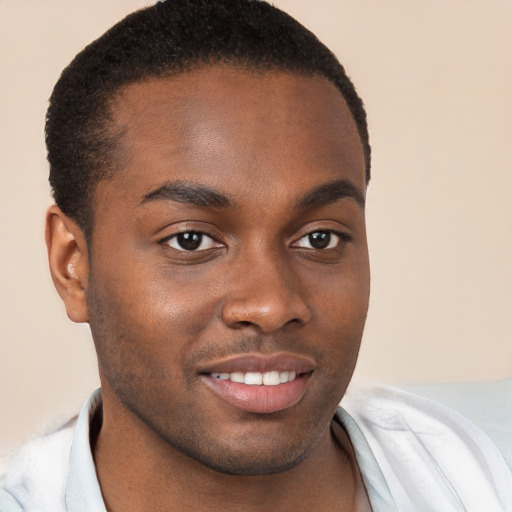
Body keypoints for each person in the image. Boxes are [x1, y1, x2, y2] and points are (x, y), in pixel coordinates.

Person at [1, 1, 510, 510]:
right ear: (73, 266)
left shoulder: (479, 470)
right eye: (191, 241)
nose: (271, 305)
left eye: (319, 238)